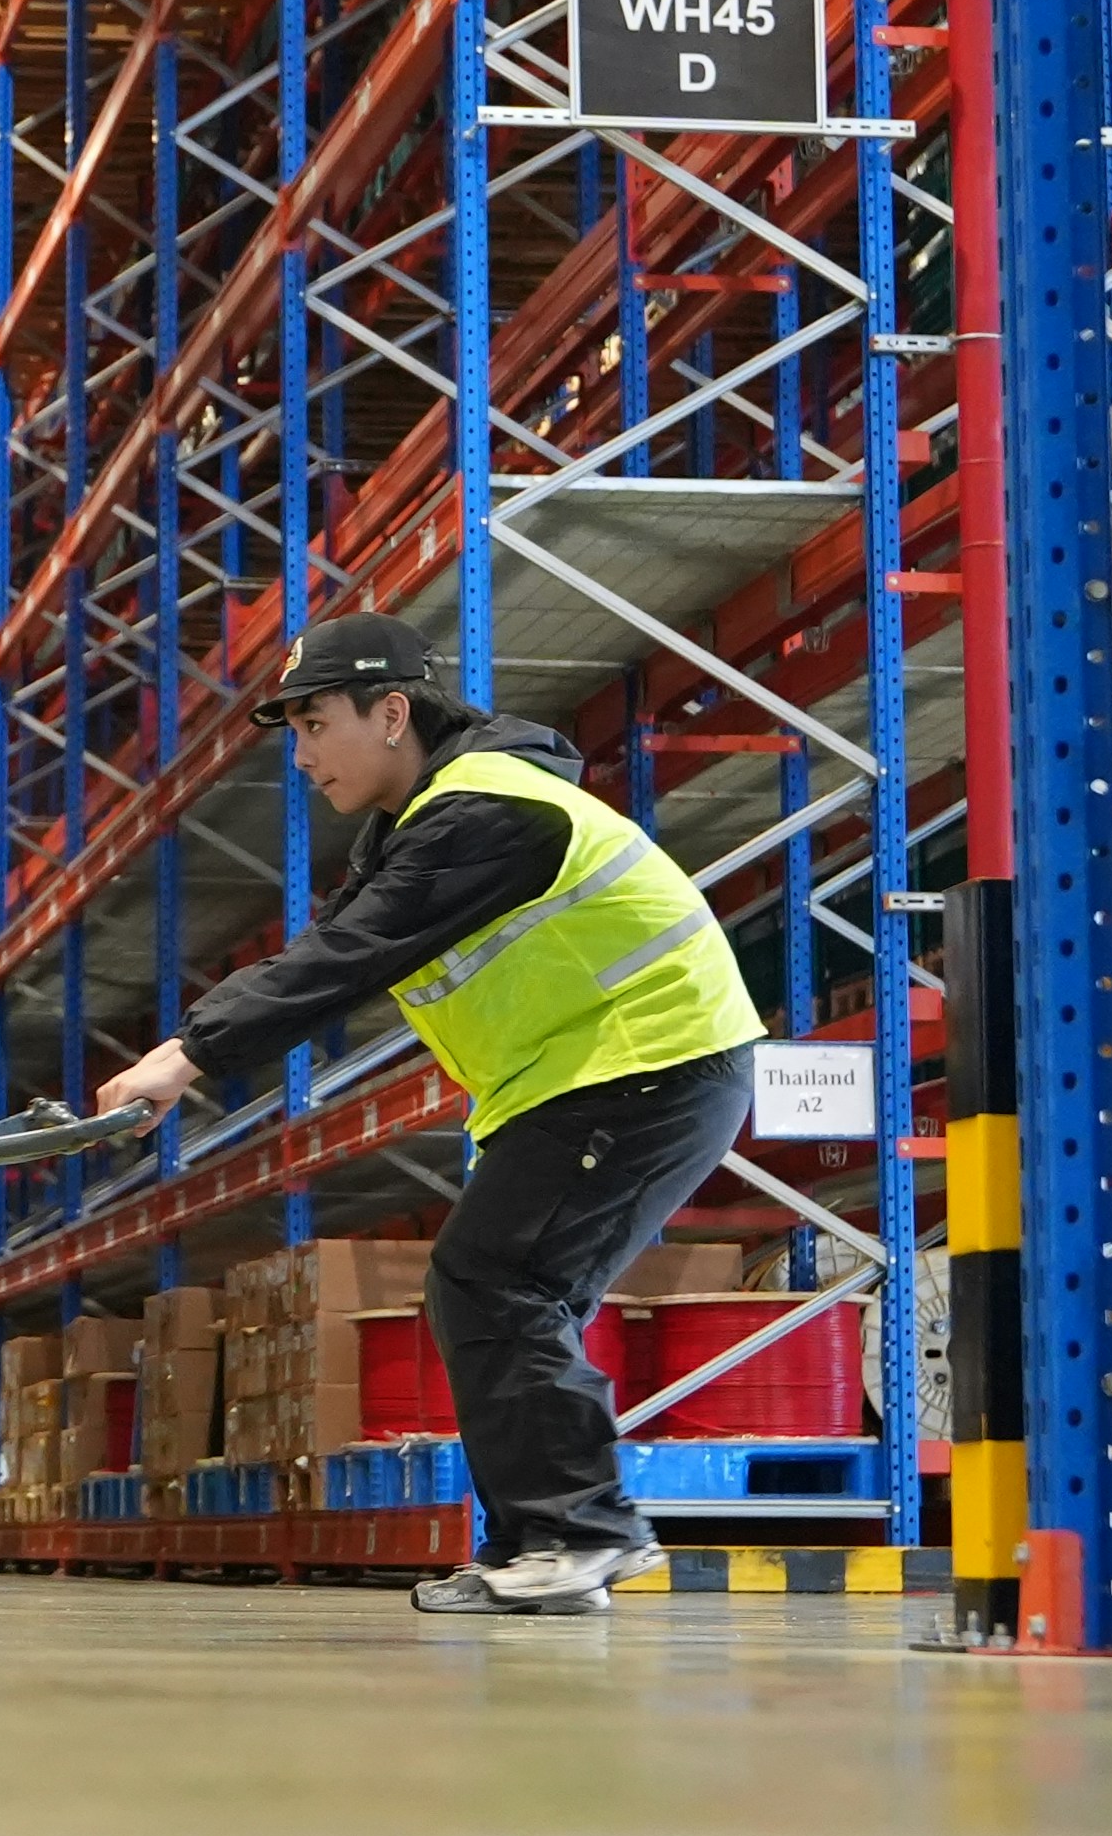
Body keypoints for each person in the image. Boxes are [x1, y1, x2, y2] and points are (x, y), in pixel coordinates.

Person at [90, 613, 761, 1617]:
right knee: (490, 1289)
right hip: (595, 1078)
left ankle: (580, 1533)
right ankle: (542, 1548)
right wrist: (199, 1050)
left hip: (649, 1062)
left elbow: (345, 957)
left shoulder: (487, 810)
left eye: (315, 723)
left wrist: (186, 1055)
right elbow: (333, 946)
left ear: (392, 711)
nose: (303, 754)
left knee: (496, 1278)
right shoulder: (421, 827)